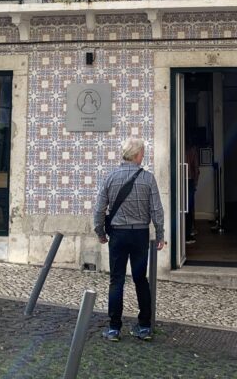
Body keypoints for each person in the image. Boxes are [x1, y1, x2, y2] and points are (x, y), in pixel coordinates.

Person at [93, 137, 165, 342]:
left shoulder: (110, 177)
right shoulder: (148, 178)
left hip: (118, 234)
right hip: (140, 234)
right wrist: (160, 234)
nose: (144, 156)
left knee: (116, 280)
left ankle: (114, 328)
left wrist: (100, 232)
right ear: (137, 154)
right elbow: (156, 210)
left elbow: (99, 210)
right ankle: (144, 327)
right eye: (143, 152)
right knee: (140, 280)